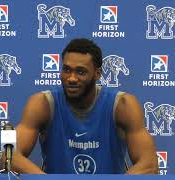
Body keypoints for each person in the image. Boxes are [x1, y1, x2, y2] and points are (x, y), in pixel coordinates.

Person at [10, 38, 158, 174]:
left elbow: (149, 164)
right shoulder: (42, 103)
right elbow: (9, 156)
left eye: (80, 72)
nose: (72, 78)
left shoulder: (123, 105)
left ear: (97, 74)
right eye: (67, 70)